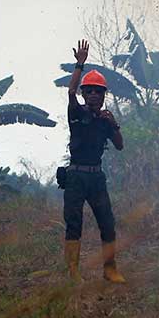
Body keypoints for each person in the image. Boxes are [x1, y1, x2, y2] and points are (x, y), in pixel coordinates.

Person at [63, 39, 125, 283]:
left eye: (97, 91)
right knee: (74, 224)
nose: (93, 94)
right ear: (84, 94)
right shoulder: (76, 113)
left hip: (96, 177)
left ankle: (110, 269)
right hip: (76, 176)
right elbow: (70, 92)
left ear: (103, 95)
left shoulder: (106, 120)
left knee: (107, 223)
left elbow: (120, 145)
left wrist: (114, 124)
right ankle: (74, 272)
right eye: (88, 90)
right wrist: (80, 64)